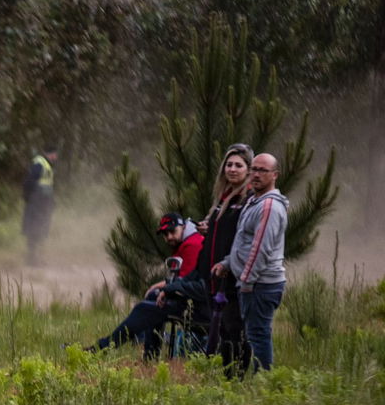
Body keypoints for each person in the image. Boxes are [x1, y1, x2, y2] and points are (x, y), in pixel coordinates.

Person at [164, 143, 253, 375]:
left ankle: (239, 376)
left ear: (248, 169)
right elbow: (220, 231)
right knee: (223, 328)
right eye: (229, 165)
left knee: (236, 328)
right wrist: (209, 228)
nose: (232, 169)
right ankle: (227, 376)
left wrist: (229, 264)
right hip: (213, 275)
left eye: (238, 165)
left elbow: (242, 238)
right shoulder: (223, 198)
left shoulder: (247, 200)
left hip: (233, 274)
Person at [88, 213, 204, 358]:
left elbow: (186, 281)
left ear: (183, 227)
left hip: (196, 306)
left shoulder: (193, 244)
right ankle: (149, 355)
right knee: (152, 298)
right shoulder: (187, 241)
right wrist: (163, 288)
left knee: (144, 308)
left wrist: (164, 288)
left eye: (172, 231)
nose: (169, 237)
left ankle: (104, 348)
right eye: (165, 234)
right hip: (192, 301)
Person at [213, 152, 287, 371]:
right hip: (253, 282)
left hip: (261, 284)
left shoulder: (269, 207)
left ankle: (265, 382)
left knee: (257, 335)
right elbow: (242, 242)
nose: (255, 174)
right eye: (253, 169)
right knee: (254, 334)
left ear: (275, 175)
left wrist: (246, 280)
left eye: (262, 170)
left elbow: (260, 249)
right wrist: (228, 263)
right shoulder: (254, 201)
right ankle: (258, 379)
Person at [22, 146, 58, 266]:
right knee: (34, 230)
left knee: (42, 230)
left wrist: (51, 201)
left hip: (43, 203)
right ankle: (32, 259)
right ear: (49, 154)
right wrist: (29, 198)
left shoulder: (47, 166)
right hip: (37, 204)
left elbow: (47, 186)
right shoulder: (40, 164)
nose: (56, 157)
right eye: (54, 154)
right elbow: (29, 182)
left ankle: (37, 259)